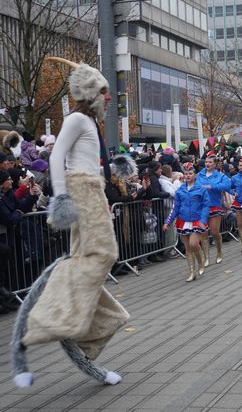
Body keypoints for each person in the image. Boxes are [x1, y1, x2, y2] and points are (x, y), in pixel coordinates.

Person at [11, 57, 130, 387]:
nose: (109, 98)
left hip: (92, 190)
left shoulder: (91, 123)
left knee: (97, 258)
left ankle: (83, 331)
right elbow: (56, 157)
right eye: (105, 92)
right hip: (81, 189)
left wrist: (111, 177)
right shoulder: (77, 119)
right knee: (101, 255)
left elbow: (89, 160)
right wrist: (61, 198)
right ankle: (55, 314)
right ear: (92, 93)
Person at [163, 162, 210, 281]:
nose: (188, 175)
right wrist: (167, 222)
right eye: (186, 173)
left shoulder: (201, 189)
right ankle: (192, 272)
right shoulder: (180, 190)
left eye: (190, 173)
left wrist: (203, 220)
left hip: (197, 220)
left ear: (195, 176)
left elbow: (206, 206)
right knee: (188, 248)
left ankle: (200, 262)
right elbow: (175, 208)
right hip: (183, 221)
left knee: (194, 244)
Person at [197, 153, 231, 264]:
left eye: (210, 162)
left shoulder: (220, 176)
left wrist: (212, 187)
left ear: (215, 164)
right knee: (203, 233)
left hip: (214, 205)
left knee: (214, 231)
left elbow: (227, 186)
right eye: (206, 162)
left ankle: (219, 252)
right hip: (201, 207)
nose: (207, 164)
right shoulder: (199, 175)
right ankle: (206, 257)